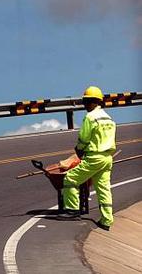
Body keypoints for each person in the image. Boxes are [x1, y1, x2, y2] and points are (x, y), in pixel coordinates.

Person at [57, 86, 116, 231]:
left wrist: (79, 149)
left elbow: (84, 138)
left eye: (87, 102)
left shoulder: (90, 117)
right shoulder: (108, 118)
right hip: (107, 157)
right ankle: (106, 220)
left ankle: (72, 210)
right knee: (103, 188)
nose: (85, 105)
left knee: (70, 179)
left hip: (94, 157)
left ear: (94, 102)